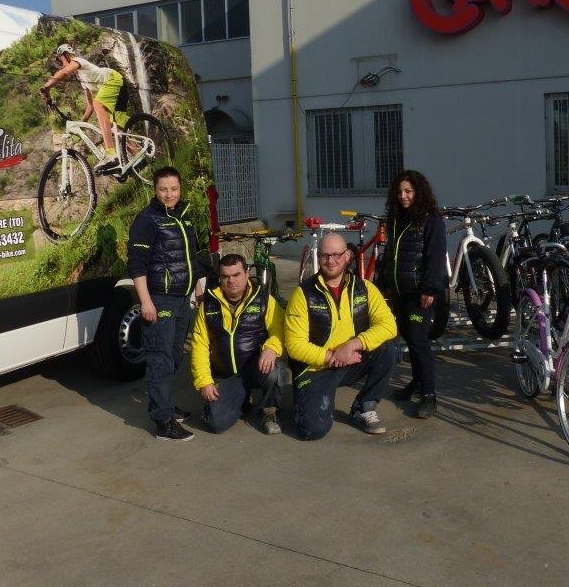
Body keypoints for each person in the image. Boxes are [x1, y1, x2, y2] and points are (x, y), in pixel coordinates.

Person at [284, 233, 397, 440]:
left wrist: (354, 344)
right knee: (312, 431)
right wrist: (332, 357)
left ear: (347, 256)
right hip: (315, 369)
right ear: (319, 257)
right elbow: (294, 345)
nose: (331, 260)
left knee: (389, 348)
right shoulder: (303, 294)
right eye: (326, 255)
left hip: (350, 360)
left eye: (337, 254)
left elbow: (389, 325)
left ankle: (364, 406)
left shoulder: (364, 288)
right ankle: (309, 401)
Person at [127, 166, 210, 442]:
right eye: (163, 189)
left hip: (182, 299)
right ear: (155, 189)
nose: (169, 194)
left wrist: (198, 288)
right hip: (159, 300)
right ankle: (163, 422)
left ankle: (163, 404)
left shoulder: (184, 217)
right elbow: (136, 265)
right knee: (160, 359)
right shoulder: (147, 220)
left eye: (174, 188)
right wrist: (146, 301)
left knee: (174, 356)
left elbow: (192, 258)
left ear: (180, 188)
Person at [189, 254, 286, 435]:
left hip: (255, 368)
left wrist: (271, 348)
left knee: (276, 371)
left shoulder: (264, 299)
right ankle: (242, 398)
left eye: (236, 275)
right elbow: (199, 345)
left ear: (247, 274)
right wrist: (204, 381)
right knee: (215, 424)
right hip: (225, 375)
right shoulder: (208, 305)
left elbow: (278, 330)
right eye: (225, 276)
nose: (231, 281)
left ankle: (270, 411)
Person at [378, 169, 447, 418]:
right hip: (400, 291)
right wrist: (384, 279)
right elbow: (391, 253)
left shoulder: (431, 219)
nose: (403, 196)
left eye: (408, 191)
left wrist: (430, 288)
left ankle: (429, 395)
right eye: (399, 192)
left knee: (419, 341)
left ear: (418, 192)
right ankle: (416, 383)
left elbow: (436, 257)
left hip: (420, 294)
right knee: (408, 338)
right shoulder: (396, 218)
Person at [40, 43, 129, 173]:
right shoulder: (83, 80)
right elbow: (90, 105)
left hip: (113, 79)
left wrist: (47, 86)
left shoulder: (78, 61)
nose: (62, 64)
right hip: (118, 88)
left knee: (100, 104)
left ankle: (110, 155)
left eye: (62, 60)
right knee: (117, 131)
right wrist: (81, 124)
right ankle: (139, 158)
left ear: (67, 55)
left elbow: (65, 72)